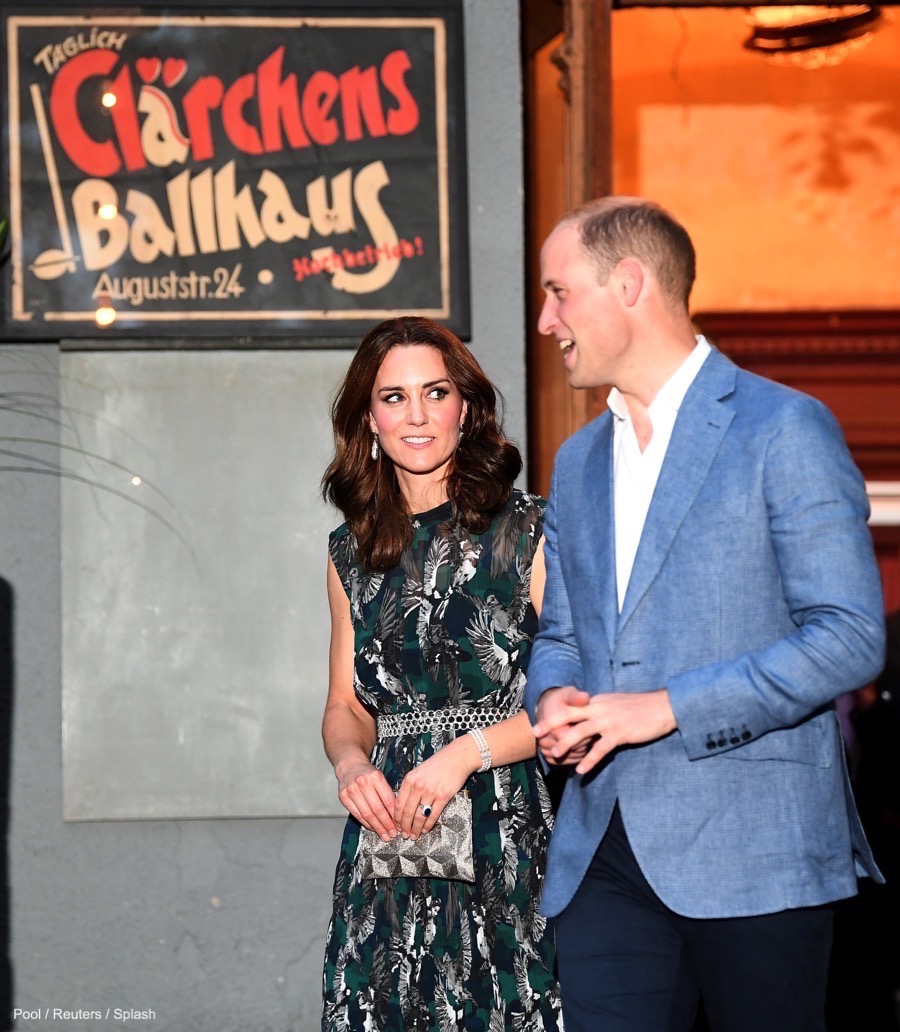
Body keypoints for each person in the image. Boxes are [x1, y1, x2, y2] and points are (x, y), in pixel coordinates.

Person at [524, 196, 887, 1032]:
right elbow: (564, 634)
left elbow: (850, 636)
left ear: (628, 283)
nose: (546, 320)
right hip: (603, 850)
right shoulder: (577, 461)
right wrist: (554, 696)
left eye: (559, 292)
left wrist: (667, 708)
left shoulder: (783, 427)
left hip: (757, 852)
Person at [320, 316, 563, 1031]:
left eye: (435, 392)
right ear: (368, 418)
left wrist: (462, 755)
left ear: (468, 407)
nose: (417, 415)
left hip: (505, 831)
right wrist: (349, 765)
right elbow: (345, 703)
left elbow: (573, 699)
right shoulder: (349, 552)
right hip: (389, 840)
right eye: (393, 397)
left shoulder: (529, 531)